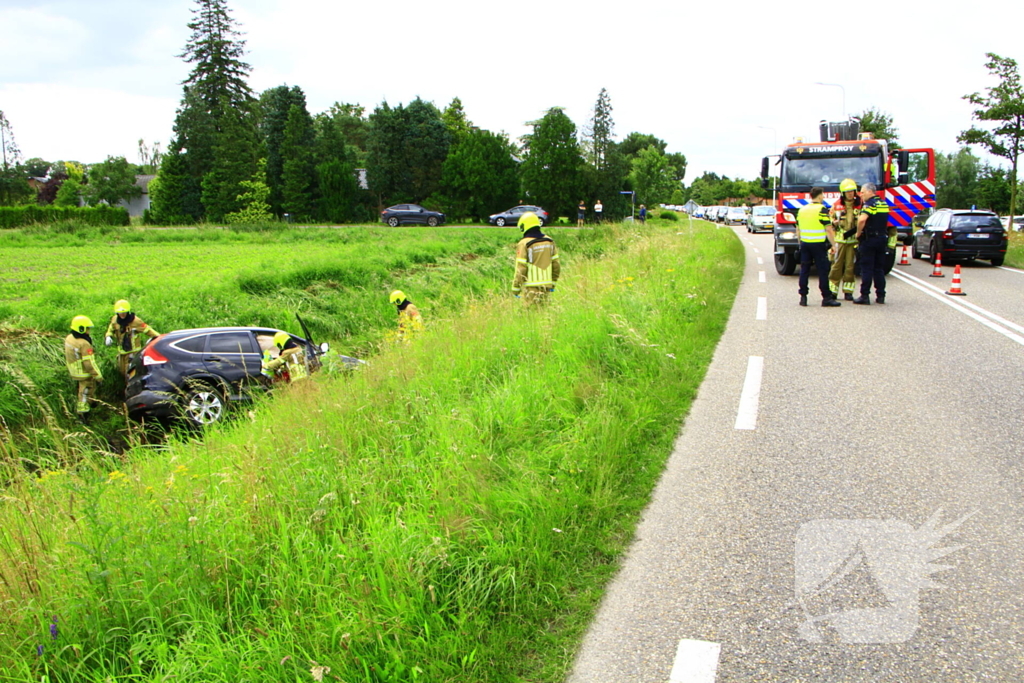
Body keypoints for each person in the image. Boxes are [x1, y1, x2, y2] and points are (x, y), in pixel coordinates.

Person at [796, 187, 841, 307]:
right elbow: (828, 229)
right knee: (823, 271)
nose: (824, 197)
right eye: (823, 195)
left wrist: (800, 243)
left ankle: (803, 297)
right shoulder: (822, 210)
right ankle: (826, 297)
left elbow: (798, 229)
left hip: (805, 244)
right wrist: (834, 245)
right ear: (820, 196)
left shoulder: (802, 210)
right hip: (819, 245)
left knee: (804, 270)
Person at [853, 182, 891, 305]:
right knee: (878, 269)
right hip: (881, 238)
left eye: (863, 192)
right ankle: (881, 295)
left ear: (870, 192)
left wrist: (858, 233)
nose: (861, 195)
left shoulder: (870, 204)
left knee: (866, 268)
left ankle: (864, 295)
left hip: (869, 240)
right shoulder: (883, 203)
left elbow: (862, 219)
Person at [512, 211, 560, 305]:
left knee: (530, 315)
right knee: (543, 315)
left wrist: (516, 288)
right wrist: (553, 283)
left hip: (531, 288)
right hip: (547, 286)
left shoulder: (524, 243)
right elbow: (556, 265)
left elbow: (521, 268)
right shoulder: (549, 241)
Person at [104, 299, 160, 376]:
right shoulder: (115, 320)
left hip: (132, 353)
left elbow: (148, 330)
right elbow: (111, 328)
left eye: (124, 312)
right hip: (121, 353)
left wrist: (159, 338)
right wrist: (108, 336)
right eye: (120, 313)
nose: (122, 315)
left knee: (130, 373)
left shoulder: (136, 321)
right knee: (122, 372)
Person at [828, 179, 861, 301]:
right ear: (843, 193)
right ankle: (833, 290)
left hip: (853, 242)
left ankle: (848, 292)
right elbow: (829, 221)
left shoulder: (860, 205)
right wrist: (834, 223)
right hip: (840, 241)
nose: (850, 194)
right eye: (847, 192)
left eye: (852, 191)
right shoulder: (836, 206)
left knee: (850, 267)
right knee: (836, 266)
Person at [65, 315, 103, 419]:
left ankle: (93, 403)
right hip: (83, 372)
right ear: (81, 329)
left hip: (73, 369)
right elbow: (88, 363)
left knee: (86, 388)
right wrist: (97, 376)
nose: (89, 331)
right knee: (85, 390)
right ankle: (83, 414)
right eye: (87, 328)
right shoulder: (84, 343)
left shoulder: (69, 338)